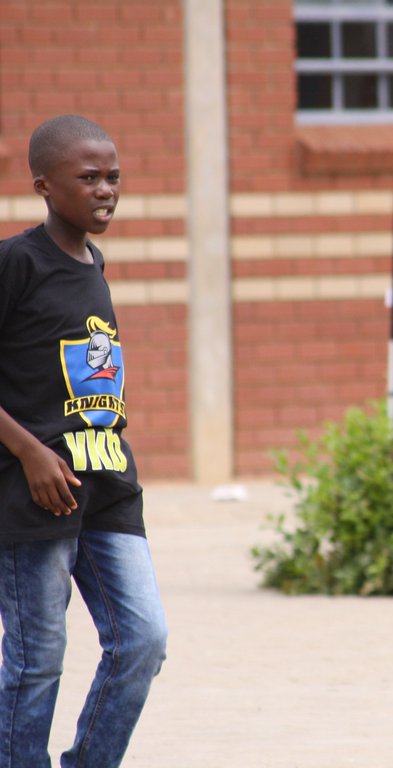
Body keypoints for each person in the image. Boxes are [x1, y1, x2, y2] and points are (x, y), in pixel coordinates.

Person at [0, 115, 168, 767]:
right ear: (44, 185)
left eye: (113, 177)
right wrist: (28, 451)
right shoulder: (17, 262)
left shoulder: (94, 263)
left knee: (143, 640)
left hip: (107, 485)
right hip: (34, 494)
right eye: (89, 177)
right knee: (37, 660)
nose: (105, 190)